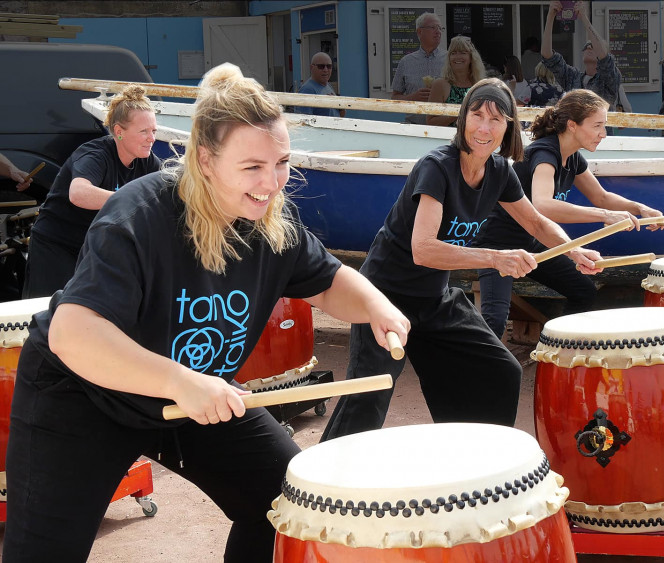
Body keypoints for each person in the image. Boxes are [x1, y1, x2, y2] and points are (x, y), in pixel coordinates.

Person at [3, 63, 409, 562]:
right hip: (83, 395)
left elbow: (328, 282)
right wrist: (180, 382)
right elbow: (74, 333)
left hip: (196, 395)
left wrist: (376, 306)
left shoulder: (268, 221)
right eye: (253, 167)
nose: (272, 182)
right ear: (205, 160)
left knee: (288, 505)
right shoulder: (139, 213)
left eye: (281, 162)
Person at [321, 78, 601, 442]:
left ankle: (480, 462)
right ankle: (316, 490)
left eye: (496, 120)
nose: (484, 128)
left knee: (501, 370)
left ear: (508, 127)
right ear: (462, 119)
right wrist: (495, 257)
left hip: (435, 300)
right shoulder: (437, 167)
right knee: (367, 400)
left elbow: (535, 220)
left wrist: (573, 250)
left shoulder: (500, 171)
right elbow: (423, 249)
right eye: (477, 116)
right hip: (385, 299)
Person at [475, 89, 663, 339]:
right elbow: (543, 204)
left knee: (583, 291)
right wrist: (605, 215)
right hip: (498, 246)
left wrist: (639, 208)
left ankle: (555, 348)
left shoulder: (572, 157)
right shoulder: (544, 153)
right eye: (597, 126)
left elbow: (601, 196)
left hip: (532, 244)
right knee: (494, 321)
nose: (603, 134)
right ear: (573, 125)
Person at [22, 85, 161, 298]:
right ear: (119, 132)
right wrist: (130, 199)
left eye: (153, 131)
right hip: (56, 245)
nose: (151, 138)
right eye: (143, 131)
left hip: (96, 246)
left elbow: (169, 193)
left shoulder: (149, 162)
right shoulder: (95, 154)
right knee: (47, 316)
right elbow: (78, 193)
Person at [541, 1, 621, 108]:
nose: (588, 47)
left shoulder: (608, 80)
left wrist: (584, 18)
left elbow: (604, 58)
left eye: (592, 46)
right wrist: (550, 16)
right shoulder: (573, 77)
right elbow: (547, 55)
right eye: (586, 46)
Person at [391, 12, 447, 124]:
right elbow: (394, 99)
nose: (438, 32)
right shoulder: (406, 62)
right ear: (419, 32)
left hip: (443, 127)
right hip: (414, 127)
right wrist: (413, 97)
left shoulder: (449, 60)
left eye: (440, 28)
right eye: (433, 27)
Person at [426, 35, 485, 126]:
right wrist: (457, 113)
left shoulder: (480, 85)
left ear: (471, 57)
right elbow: (430, 122)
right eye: (453, 53)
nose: (457, 57)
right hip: (449, 139)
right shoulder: (440, 84)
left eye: (463, 52)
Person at [295, 51, 345, 118]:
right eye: (321, 66)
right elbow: (304, 122)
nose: (325, 70)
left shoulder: (327, 85)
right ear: (312, 68)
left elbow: (339, 115)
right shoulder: (307, 90)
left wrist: (340, 106)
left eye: (329, 66)